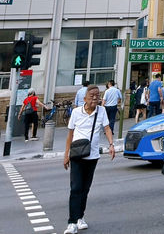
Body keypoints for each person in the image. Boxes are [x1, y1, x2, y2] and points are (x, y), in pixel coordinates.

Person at [63, 84, 115, 234]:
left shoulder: (102, 111)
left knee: (85, 189)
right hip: (77, 155)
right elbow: (70, 135)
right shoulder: (76, 112)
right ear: (84, 98)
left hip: (92, 156)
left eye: (97, 96)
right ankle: (72, 222)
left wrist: (111, 144)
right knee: (76, 188)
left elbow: (107, 128)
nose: (95, 98)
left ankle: (80, 217)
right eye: (91, 96)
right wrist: (66, 155)